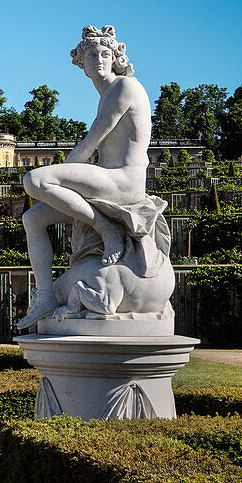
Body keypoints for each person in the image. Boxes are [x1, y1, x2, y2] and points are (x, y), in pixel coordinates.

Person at [17, 25, 153, 329]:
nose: (99, 59)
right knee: (33, 220)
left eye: (105, 53)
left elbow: (88, 145)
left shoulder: (123, 87)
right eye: (91, 54)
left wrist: (58, 179)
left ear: (116, 57)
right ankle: (46, 298)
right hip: (108, 179)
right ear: (81, 61)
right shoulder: (106, 94)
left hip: (124, 182)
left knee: (35, 181)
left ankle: (106, 229)